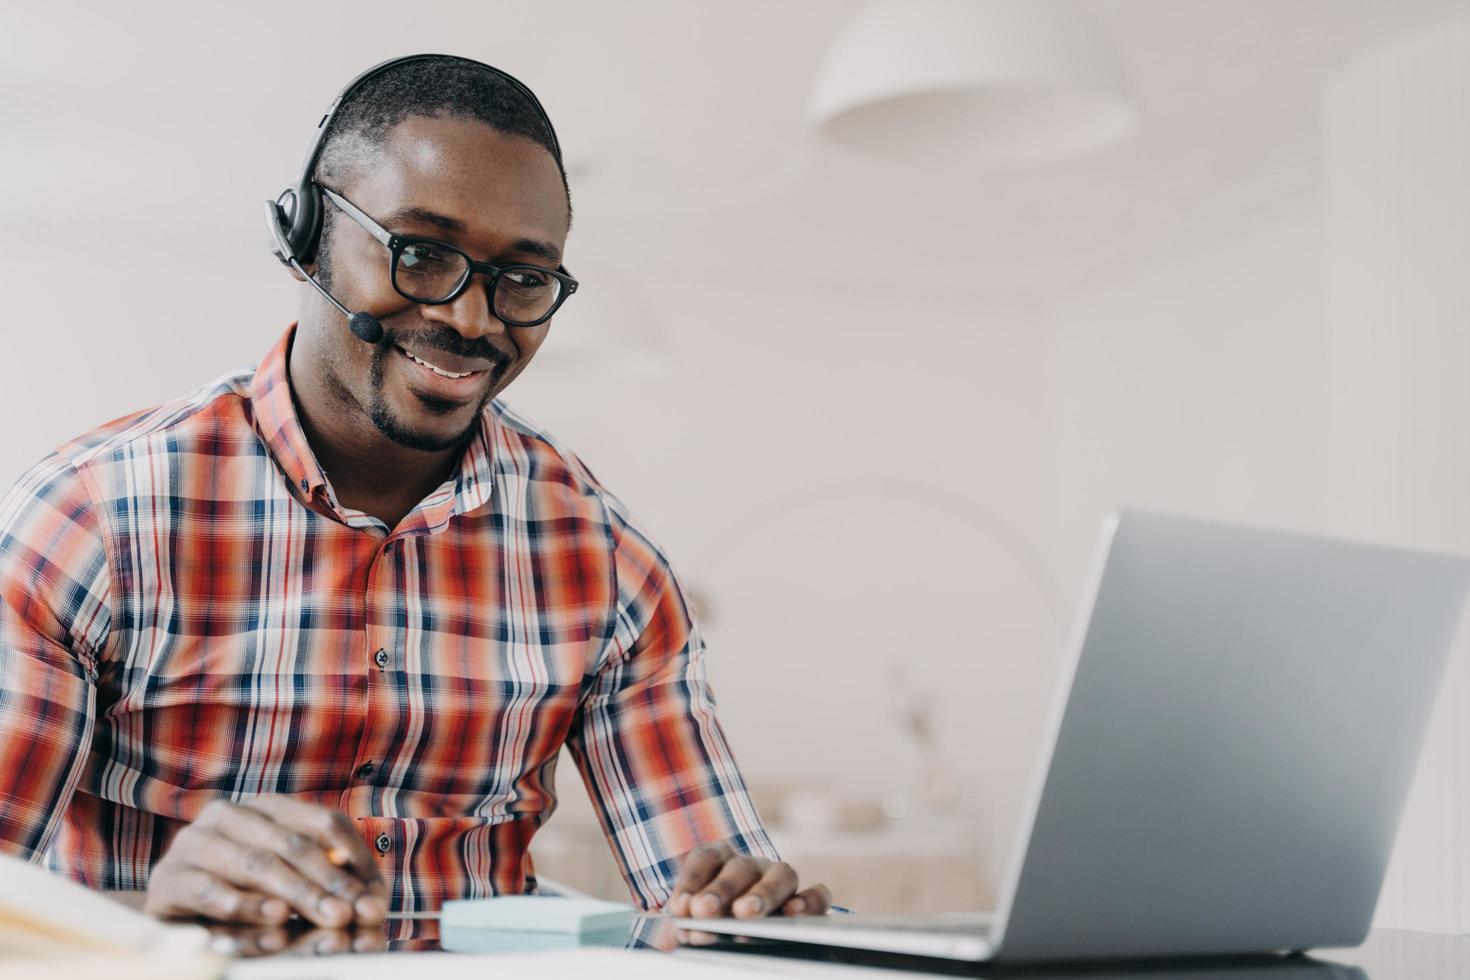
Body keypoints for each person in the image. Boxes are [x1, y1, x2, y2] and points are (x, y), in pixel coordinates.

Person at [0, 54, 830, 929]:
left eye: (523, 279)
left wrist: (744, 909)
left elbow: (704, 895)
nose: (472, 321)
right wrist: (144, 914)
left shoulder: (604, 560)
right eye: (421, 254)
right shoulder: (91, 519)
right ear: (306, 234)